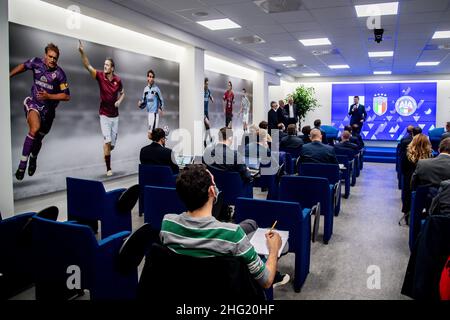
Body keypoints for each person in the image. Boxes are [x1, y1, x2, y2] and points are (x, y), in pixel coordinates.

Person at [160, 164, 289, 289]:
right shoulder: (233, 234)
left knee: (250, 224)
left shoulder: (167, 224)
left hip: (185, 286)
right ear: (212, 191)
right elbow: (266, 281)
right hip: (226, 290)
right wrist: (273, 250)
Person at [10, 43, 71, 180]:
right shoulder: (36, 63)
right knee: (34, 129)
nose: (52, 60)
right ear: (45, 55)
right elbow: (23, 66)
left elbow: (66, 96)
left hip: (48, 113)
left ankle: (34, 157)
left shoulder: (59, 74)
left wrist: (49, 96)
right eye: (50, 57)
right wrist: (8, 75)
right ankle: (22, 165)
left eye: (55, 58)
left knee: (38, 139)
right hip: (34, 105)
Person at [79, 40, 125, 177]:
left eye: (107, 65)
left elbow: (123, 93)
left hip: (115, 116)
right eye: (104, 65)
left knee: (112, 146)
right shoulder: (99, 76)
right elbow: (87, 65)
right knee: (107, 142)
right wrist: (82, 52)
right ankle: (108, 169)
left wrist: (119, 101)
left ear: (112, 68)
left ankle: (107, 145)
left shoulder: (118, 80)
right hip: (104, 115)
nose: (104, 67)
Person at [400, 134, 432, 223]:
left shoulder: (407, 154)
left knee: (409, 199)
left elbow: (402, 168)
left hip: (410, 181)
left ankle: (408, 218)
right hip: (424, 183)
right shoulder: (430, 156)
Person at [138, 69, 165, 136]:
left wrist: (160, 108)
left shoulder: (156, 89)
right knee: (151, 135)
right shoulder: (145, 89)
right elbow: (144, 102)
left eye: (152, 77)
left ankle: (162, 139)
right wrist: (140, 105)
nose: (151, 78)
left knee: (151, 134)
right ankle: (162, 138)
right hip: (149, 114)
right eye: (150, 76)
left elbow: (161, 100)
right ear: (147, 78)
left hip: (155, 113)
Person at [203, 78, 214, 147]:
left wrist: (212, 99)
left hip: (206, 112)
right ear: (204, 84)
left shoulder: (208, 91)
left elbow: (211, 96)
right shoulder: (202, 91)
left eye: (208, 84)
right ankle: (209, 138)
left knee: (208, 127)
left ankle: (206, 140)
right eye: (206, 84)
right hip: (202, 112)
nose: (207, 85)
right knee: (208, 125)